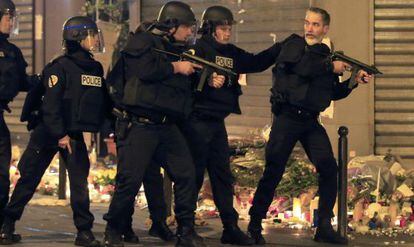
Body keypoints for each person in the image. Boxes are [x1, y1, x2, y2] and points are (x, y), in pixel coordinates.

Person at [247, 7, 373, 245]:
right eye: (307, 23)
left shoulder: (325, 55)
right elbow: (302, 68)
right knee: (273, 171)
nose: (310, 29)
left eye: (315, 25)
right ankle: (254, 225)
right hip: (286, 119)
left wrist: (352, 81)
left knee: (328, 168)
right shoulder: (293, 45)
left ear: (325, 29)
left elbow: (332, 92)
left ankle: (324, 225)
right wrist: (330, 67)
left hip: (309, 121)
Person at [102, 2, 207, 247]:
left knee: (186, 174)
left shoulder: (176, 49)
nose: (190, 32)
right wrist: (175, 67)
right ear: (172, 25)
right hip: (140, 126)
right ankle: (113, 229)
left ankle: (186, 231)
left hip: (166, 125)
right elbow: (144, 69)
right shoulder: (143, 41)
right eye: (187, 27)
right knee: (129, 181)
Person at [177, 5, 281, 246]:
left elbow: (255, 63)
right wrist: (205, 78)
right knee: (192, 177)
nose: (227, 33)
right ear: (211, 29)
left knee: (222, 175)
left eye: (229, 29)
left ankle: (230, 227)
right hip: (196, 122)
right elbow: (183, 75)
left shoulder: (231, 53)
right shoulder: (197, 49)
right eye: (223, 29)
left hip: (216, 123)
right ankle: (185, 228)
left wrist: (279, 49)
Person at [0, 16, 108, 247]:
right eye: (91, 35)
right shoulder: (58, 67)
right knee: (29, 179)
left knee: (79, 183)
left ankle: (84, 232)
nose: (96, 39)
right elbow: (50, 105)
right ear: (78, 38)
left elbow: (101, 101)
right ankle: (7, 225)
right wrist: (60, 134)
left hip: (75, 134)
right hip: (49, 132)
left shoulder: (95, 67)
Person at [0, 0, 38, 243]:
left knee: (2, 173)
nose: (11, 21)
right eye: (7, 16)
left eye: (13, 17)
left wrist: (46, 79)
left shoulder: (12, 51)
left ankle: (2, 226)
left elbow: (22, 81)